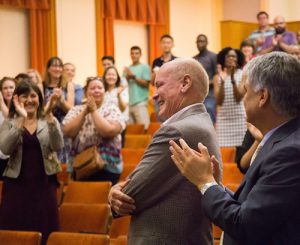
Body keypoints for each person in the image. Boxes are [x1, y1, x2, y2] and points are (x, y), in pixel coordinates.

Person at [169, 52, 300, 245]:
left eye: (246, 91)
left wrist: (205, 183)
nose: (243, 99)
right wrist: (213, 184)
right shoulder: (281, 139)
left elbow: (245, 225)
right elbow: (250, 205)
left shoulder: (289, 152)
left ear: (263, 96)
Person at [109, 58, 221, 245]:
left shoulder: (177, 131)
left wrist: (113, 191)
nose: (154, 95)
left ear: (185, 83)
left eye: (159, 85)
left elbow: (129, 195)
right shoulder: (200, 123)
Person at [0, 79, 63, 245]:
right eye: (24, 96)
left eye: (33, 95)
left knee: (46, 229)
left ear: (40, 99)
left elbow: (58, 145)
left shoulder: (49, 119)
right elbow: (5, 149)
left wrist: (49, 116)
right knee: (15, 232)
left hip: (44, 184)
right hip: (16, 185)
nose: (29, 100)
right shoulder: (9, 122)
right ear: (17, 99)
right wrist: (21, 119)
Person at [62, 77, 125, 185]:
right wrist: (85, 111)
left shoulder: (112, 109)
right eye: (92, 88)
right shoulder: (75, 110)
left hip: (108, 167)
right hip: (81, 166)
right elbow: (68, 132)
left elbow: (108, 132)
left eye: (100, 88)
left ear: (104, 91)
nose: (96, 90)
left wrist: (93, 111)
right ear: (86, 92)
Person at [42, 57, 74, 165]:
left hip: (64, 126)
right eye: (54, 66)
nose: (57, 68)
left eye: (60, 66)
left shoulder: (68, 85)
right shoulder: (41, 86)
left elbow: (71, 110)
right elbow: (41, 112)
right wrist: (51, 103)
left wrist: (61, 100)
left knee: (64, 160)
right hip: (47, 126)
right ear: (48, 69)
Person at [214, 47, 247, 149]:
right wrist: (223, 82)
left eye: (234, 56)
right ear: (223, 59)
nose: (231, 58)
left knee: (240, 151)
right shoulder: (217, 77)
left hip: (239, 118)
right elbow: (219, 101)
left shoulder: (243, 75)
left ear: (238, 59)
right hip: (223, 119)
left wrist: (232, 79)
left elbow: (238, 98)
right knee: (225, 153)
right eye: (228, 56)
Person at [123, 46, 150, 130]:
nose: (134, 55)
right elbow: (123, 84)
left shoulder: (145, 67)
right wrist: (127, 77)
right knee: (132, 131)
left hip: (140, 103)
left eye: (136, 53)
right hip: (130, 104)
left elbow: (146, 84)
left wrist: (133, 76)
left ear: (140, 55)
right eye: (132, 53)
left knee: (144, 129)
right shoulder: (128, 69)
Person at [193, 34, 217, 123]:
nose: (200, 44)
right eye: (198, 42)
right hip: (198, 95)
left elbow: (217, 76)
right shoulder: (194, 58)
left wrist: (205, 83)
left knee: (209, 111)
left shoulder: (213, 56)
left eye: (202, 41)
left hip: (210, 94)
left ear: (207, 43)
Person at [0, 77, 17, 179]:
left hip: (16, 157)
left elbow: (10, 123)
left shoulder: (21, 107)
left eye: (11, 87)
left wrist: (1, 103)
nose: (8, 90)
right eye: (5, 88)